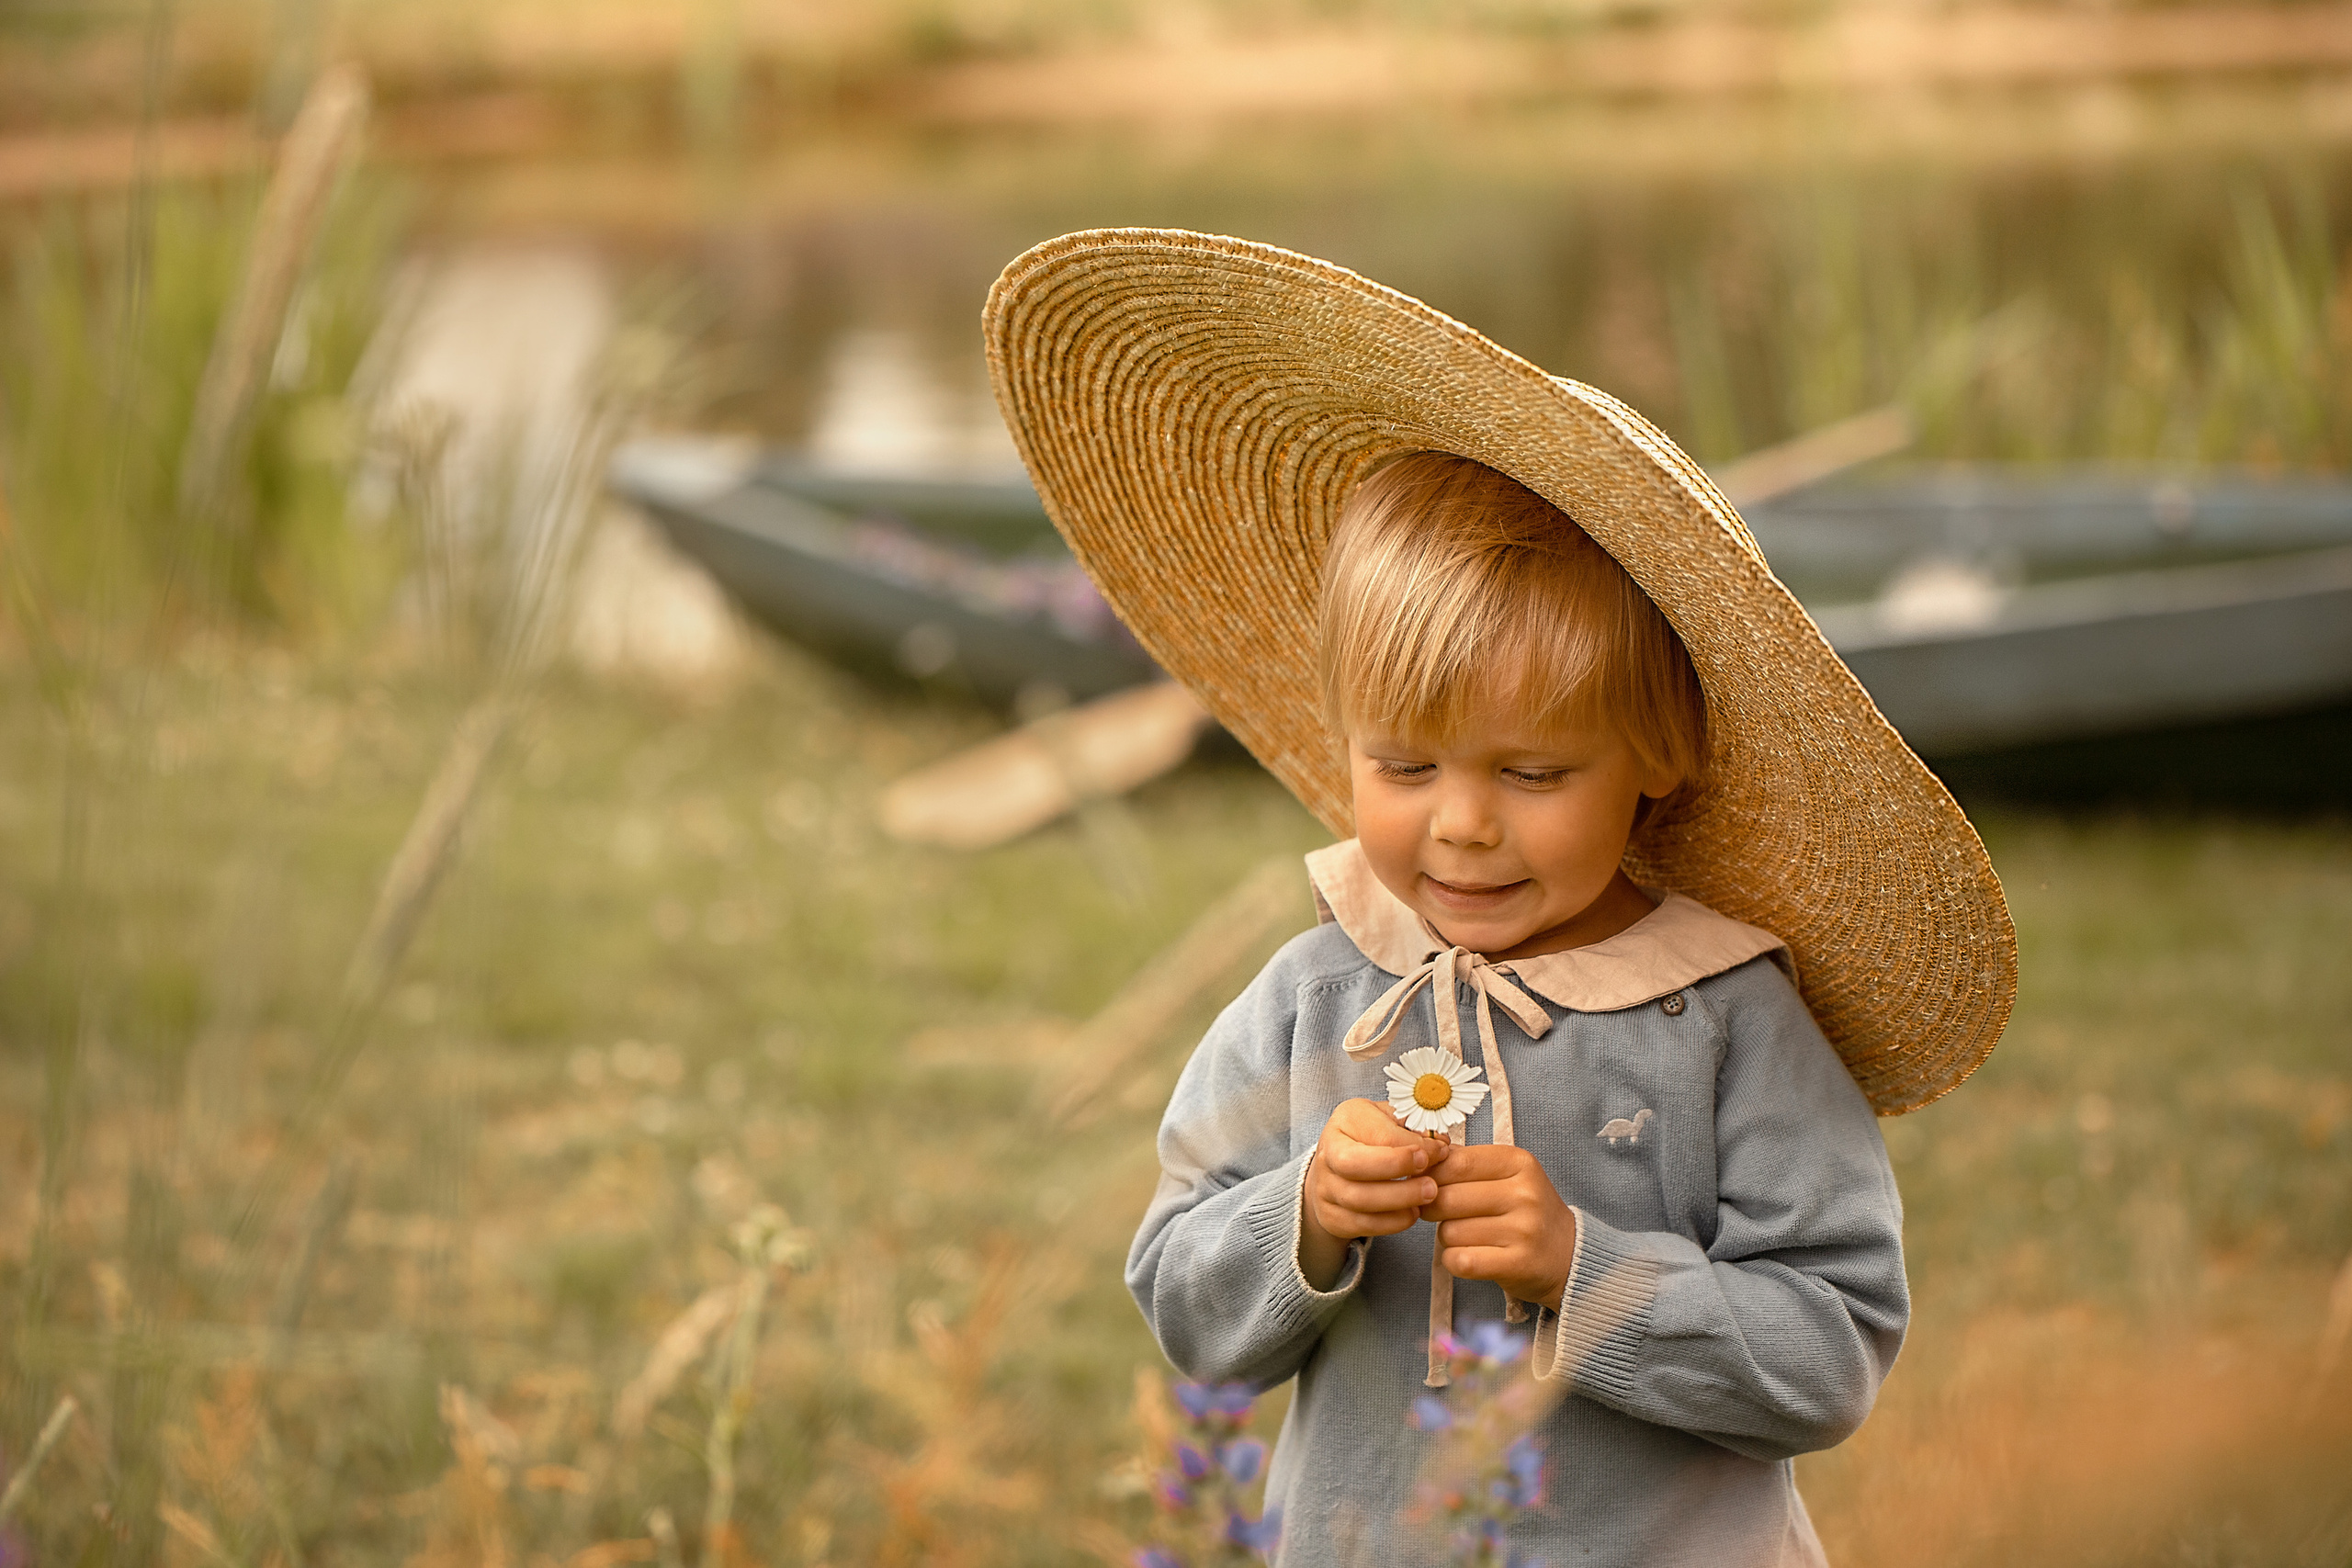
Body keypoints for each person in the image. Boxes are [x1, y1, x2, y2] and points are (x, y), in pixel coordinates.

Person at [983, 231, 2017, 1567]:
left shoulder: (1727, 1021)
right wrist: (1301, 1215)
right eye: (1404, 765)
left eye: (1532, 770)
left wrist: (1584, 1273)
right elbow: (1187, 1307)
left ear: (1662, 756)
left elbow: (1830, 1356)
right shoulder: (1316, 998)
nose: (1462, 822)